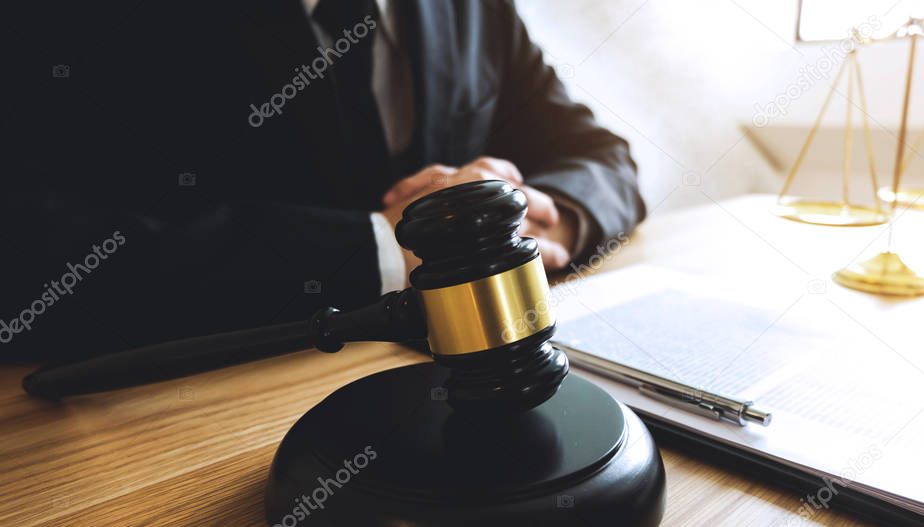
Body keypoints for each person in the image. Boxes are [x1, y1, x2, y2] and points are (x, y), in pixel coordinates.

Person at [2, 0, 643, 361]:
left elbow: (600, 156)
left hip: (465, 374)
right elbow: (30, 253)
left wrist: (539, 210)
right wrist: (379, 247)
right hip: (205, 417)